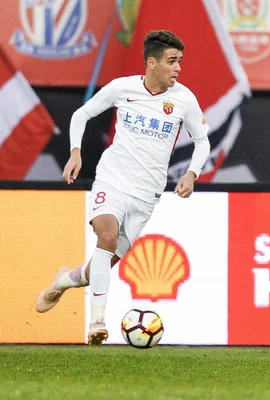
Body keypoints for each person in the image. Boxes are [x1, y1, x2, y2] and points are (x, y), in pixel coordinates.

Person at [35, 30, 210, 346]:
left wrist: (192, 173)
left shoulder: (184, 99)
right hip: (111, 180)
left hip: (146, 196)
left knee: (96, 267)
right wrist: (76, 151)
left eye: (180, 61)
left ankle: (62, 282)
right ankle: (97, 323)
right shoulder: (122, 88)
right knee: (106, 236)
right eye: (172, 61)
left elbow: (202, 141)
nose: (178, 68)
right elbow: (82, 114)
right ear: (152, 63)